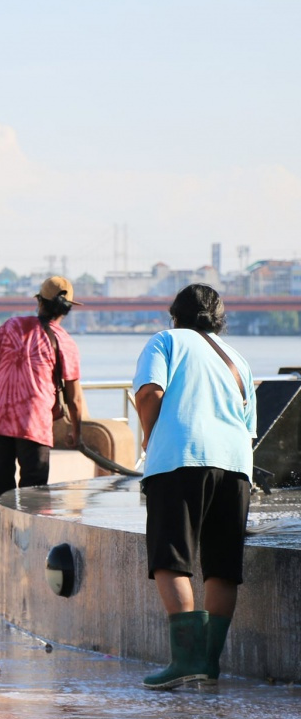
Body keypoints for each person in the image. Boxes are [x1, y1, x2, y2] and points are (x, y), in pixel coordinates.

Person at [133, 284, 257, 690]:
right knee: (222, 566)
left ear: (175, 315)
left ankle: (184, 660)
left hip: (181, 457)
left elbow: (150, 391)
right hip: (236, 464)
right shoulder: (238, 358)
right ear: (219, 320)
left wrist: (151, 436)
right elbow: (249, 426)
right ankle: (208, 663)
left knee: (171, 558)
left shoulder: (166, 340)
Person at [0, 276, 84, 517]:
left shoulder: (10, 326)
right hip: (34, 422)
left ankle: (0, 538)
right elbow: (74, 398)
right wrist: (76, 432)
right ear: (66, 310)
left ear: (40, 302)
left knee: (0, 491)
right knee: (34, 494)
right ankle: (28, 547)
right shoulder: (66, 343)